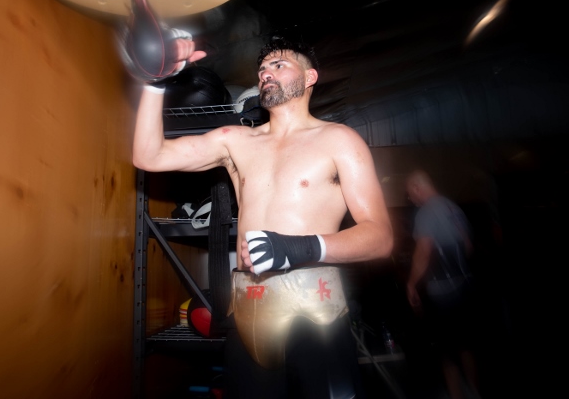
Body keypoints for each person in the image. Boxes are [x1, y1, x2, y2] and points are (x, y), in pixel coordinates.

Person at [131, 36, 394, 398]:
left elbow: (380, 237)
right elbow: (150, 156)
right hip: (251, 313)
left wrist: (298, 247)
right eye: (262, 68)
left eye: (279, 65)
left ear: (310, 77)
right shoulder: (235, 141)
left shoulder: (340, 140)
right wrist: (155, 82)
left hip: (318, 316)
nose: (265, 73)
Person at [405, 170, 481, 399]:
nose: (410, 199)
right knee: (466, 345)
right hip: (466, 285)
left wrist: (411, 283)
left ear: (418, 187)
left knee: (446, 352)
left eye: (410, 194)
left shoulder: (427, 212)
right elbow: (468, 246)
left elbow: (424, 251)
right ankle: (476, 392)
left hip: (444, 292)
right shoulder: (453, 208)